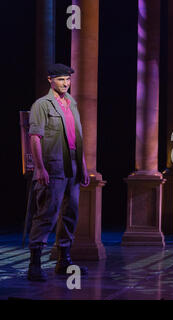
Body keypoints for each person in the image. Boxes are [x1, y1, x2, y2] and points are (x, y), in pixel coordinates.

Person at [27, 63, 89, 281]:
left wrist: (83, 166)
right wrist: (40, 167)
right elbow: (35, 138)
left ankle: (64, 260)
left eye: (68, 79)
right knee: (47, 213)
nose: (66, 83)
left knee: (70, 213)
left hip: (72, 164)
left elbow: (77, 138)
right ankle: (34, 264)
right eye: (61, 79)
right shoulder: (41, 105)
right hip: (53, 165)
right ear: (50, 80)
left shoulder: (71, 103)